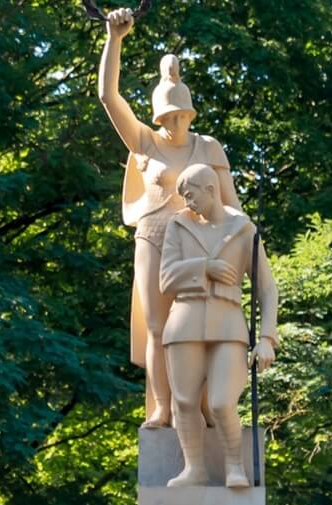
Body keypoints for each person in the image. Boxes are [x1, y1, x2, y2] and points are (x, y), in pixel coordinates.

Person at [96, 6, 242, 429]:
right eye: (168, 117)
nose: (176, 123)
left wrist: (244, 244)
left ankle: (202, 404)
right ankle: (163, 405)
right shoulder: (145, 142)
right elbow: (108, 97)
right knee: (158, 326)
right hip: (154, 236)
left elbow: (231, 205)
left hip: (200, 241)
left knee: (201, 328)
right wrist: (114, 39)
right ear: (158, 117)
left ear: (191, 114)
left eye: (183, 116)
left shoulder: (208, 147)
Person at [158, 162, 277, 487]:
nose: (187, 202)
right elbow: (166, 278)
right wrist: (204, 267)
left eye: (190, 194)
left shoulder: (244, 229)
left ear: (210, 189)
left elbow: (267, 288)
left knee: (222, 402)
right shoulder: (178, 225)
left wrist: (266, 337)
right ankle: (193, 469)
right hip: (185, 321)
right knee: (184, 401)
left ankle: (234, 467)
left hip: (228, 324)